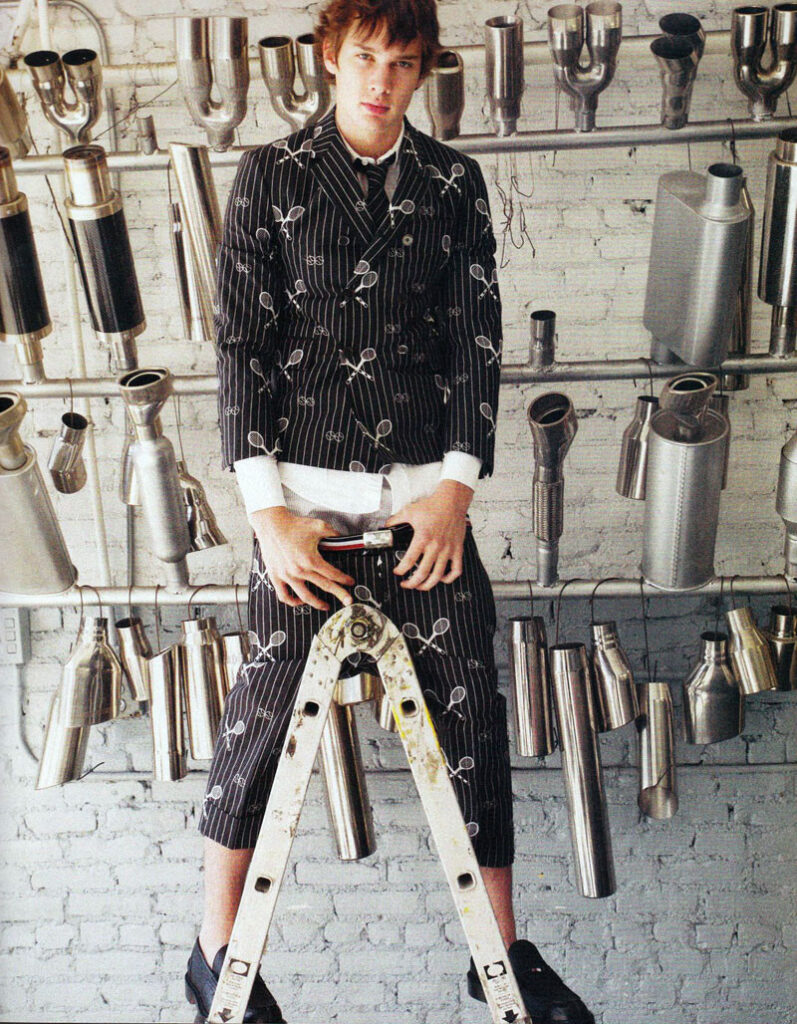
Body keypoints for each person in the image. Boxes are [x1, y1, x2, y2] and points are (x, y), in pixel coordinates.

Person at [184, 2, 595, 1022]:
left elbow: (474, 341)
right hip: (306, 518)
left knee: (473, 714)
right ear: (331, 58)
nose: (380, 80)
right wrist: (266, 516)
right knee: (260, 719)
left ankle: (499, 951)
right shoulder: (271, 175)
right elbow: (238, 350)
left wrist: (455, 489)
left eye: (402, 63)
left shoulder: (452, 184)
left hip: (423, 513)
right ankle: (213, 948)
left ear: (421, 73)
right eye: (364, 57)